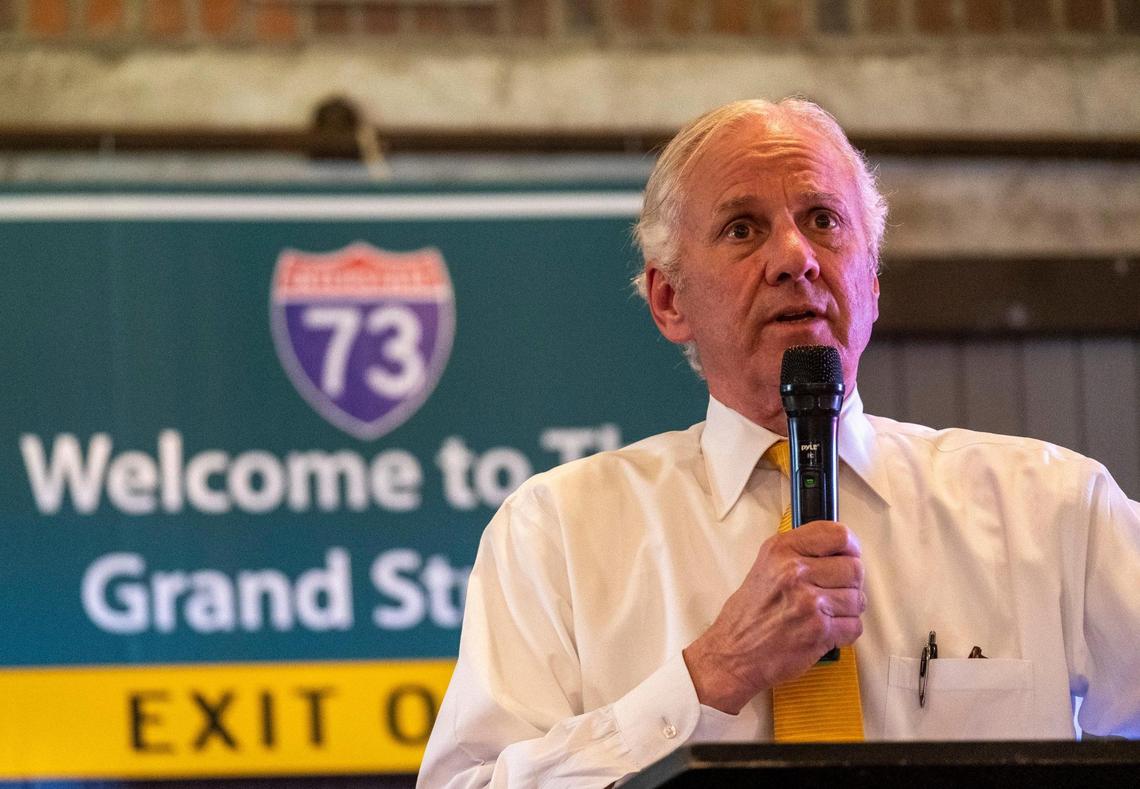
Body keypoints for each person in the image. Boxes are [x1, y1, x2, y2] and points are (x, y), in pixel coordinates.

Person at [416, 98, 1140, 788]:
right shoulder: (557, 533)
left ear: (873, 280)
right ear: (670, 299)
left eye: (824, 219)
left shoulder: (1049, 509)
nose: (796, 255)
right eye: (742, 228)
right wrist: (709, 675)